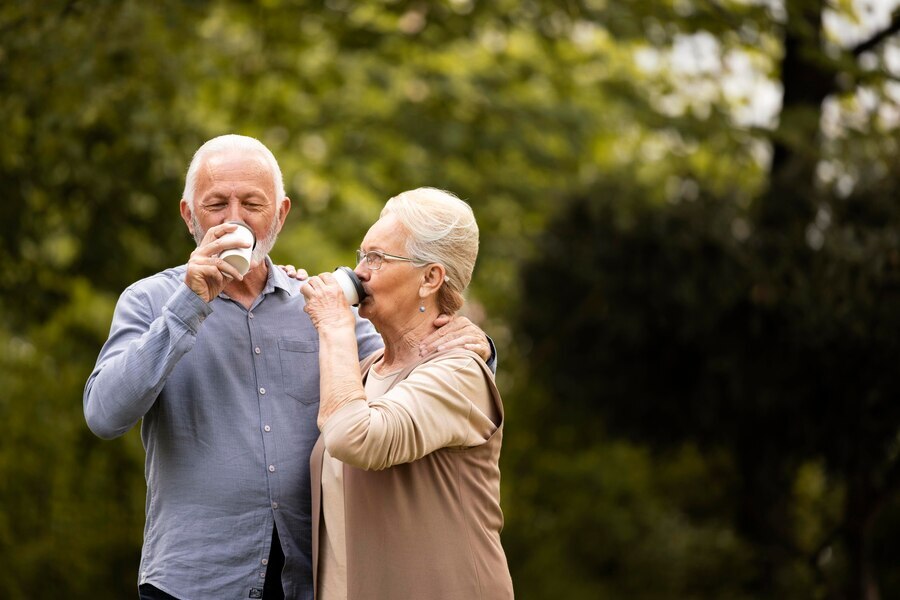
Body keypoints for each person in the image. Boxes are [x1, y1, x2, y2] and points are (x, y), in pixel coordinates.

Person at [82, 135, 494, 600]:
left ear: (279, 214)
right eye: (216, 203)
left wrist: (477, 347)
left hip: (306, 580)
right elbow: (104, 415)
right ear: (188, 215)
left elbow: (401, 364)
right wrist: (187, 306)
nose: (233, 218)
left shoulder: (318, 306)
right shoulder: (150, 301)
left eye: (252, 204)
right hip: (194, 581)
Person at [300, 187, 514, 600]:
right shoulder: (361, 373)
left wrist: (334, 324)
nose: (359, 271)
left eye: (377, 258)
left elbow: (354, 437)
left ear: (430, 278)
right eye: (361, 255)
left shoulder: (459, 373)